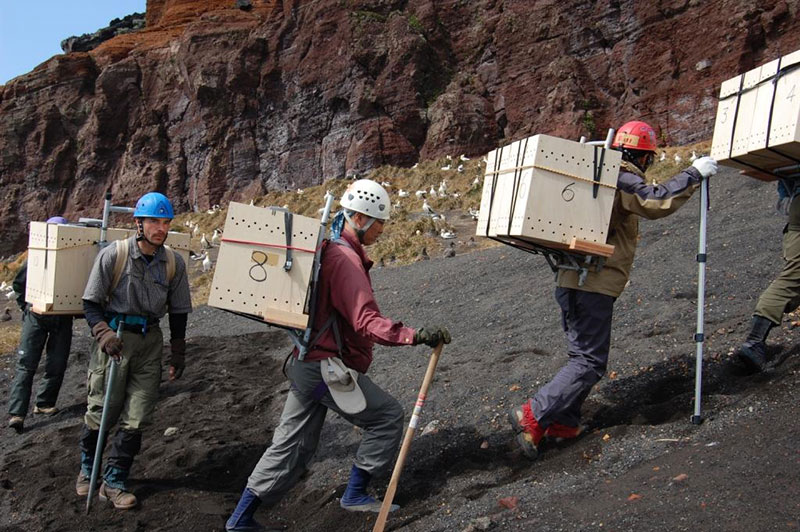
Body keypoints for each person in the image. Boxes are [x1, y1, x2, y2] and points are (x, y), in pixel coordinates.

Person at [225, 179, 452, 532]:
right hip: (324, 368)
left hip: (305, 362)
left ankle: (241, 518)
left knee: (293, 444)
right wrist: (413, 335)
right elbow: (365, 321)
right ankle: (356, 494)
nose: (382, 229)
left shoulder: (330, 250)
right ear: (360, 219)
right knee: (387, 417)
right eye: (380, 222)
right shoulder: (345, 260)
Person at [508, 121, 718, 460]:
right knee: (589, 361)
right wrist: (693, 174)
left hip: (570, 278)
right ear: (642, 156)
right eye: (648, 157)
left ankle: (564, 421)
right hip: (594, 280)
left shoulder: (593, 172)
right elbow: (653, 201)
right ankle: (533, 415)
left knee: (582, 356)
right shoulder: (620, 175)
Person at [75, 192, 192, 510]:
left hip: (150, 342)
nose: (161, 228)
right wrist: (103, 334)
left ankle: (113, 483)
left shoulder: (173, 263)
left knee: (137, 417)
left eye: (166, 222)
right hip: (115, 341)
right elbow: (90, 303)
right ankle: (88, 472)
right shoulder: (114, 255)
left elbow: (179, 311)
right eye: (155, 221)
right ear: (138, 222)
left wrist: (178, 351)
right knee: (102, 411)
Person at [6, 216, 75, 434]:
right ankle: (17, 413)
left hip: (61, 317)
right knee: (27, 363)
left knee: (57, 361)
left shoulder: (72, 260)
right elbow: (19, 283)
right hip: (36, 316)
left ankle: (44, 403)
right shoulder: (35, 257)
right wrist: (26, 307)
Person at [737, 173, 800, 372]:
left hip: (795, 206)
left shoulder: (788, 154)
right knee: (794, 277)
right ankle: (754, 342)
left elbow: (784, 186)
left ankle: (755, 342)